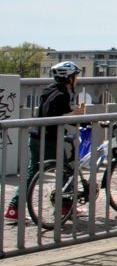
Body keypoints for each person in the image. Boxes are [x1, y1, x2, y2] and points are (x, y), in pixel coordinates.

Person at [5, 61, 86, 222]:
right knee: (65, 172)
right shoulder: (62, 94)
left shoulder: (49, 90)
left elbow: (51, 112)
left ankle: (13, 209)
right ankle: (64, 206)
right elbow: (54, 117)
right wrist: (75, 114)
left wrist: (74, 116)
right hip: (50, 140)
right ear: (69, 78)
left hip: (35, 137)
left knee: (31, 173)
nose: (76, 79)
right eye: (75, 76)